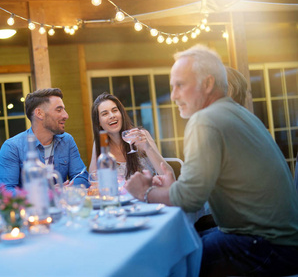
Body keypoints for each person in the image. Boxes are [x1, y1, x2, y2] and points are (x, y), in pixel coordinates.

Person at [125, 44, 298, 276]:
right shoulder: (239, 114)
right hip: (280, 240)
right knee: (187, 241)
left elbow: (190, 200)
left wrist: (144, 193)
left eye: (180, 85)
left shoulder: (206, 120)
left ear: (207, 84)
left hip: (267, 245)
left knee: (168, 259)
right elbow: (195, 189)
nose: (174, 95)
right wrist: (173, 188)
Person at [0, 88, 89, 190]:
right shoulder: (12, 147)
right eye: (59, 110)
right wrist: (48, 193)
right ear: (39, 113)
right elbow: (6, 192)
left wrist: (66, 190)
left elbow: (82, 176)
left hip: (63, 205)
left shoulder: (66, 140)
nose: (66, 115)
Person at [89, 92, 171, 180]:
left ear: (121, 114)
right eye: (105, 114)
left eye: (114, 110)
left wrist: (148, 148)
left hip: (150, 192)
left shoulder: (142, 136)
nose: (112, 116)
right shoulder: (101, 145)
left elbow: (169, 176)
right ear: (99, 122)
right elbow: (93, 180)